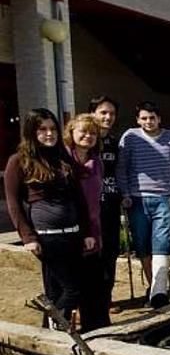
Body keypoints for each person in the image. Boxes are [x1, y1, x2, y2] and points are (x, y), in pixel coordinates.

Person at [4, 109, 95, 325]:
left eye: (52, 129)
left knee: (56, 291)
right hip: (47, 238)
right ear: (31, 132)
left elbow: (79, 199)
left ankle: (50, 333)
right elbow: (13, 203)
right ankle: (58, 327)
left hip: (72, 235)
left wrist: (86, 232)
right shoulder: (18, 161)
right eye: (42, 129)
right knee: (72, 290)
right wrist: (28, 237)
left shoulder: (62, 158)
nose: (49, 134)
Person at [117, 101, 170, 308]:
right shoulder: (130, 137)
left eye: (152, 117)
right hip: (137, 199)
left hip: (164, 199)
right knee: (143, 245)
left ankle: (159, 292)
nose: (149, 122)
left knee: (161, 243)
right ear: (138, 120)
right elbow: (122, 168)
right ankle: (153, 287)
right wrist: (125, 193)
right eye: (144, 118)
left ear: (159, 118)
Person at [63, 114, 107, 330]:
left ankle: (95, 326)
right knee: (70, 284)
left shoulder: (97, 162)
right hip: (69, 228)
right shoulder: (63, 160)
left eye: (92, 133)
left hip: (93, 227)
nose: (88, 136)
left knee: (93, 282)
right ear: (71, 133)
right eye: (83, 131)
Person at [89, 96, 121, 313]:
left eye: (111, 113)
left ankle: (106, 298)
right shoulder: (84, 140)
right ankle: (87, 300)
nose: (108, 117)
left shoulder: (114, 142)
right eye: (103, 113)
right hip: (89, 210)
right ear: (93, 114)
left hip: (110, 205)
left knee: (110, 253)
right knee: (91, 255)